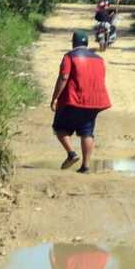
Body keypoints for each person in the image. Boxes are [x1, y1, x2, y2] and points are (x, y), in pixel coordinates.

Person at [50, 30, 111, 173]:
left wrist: (55, 98)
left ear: (73, 43)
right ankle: (85, 166)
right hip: (95, 101)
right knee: (87, 133)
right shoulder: (99, 59)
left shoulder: (69, 56)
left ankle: (71, 154)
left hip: (74, 99)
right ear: (87, 43)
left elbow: (64, 78)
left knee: (59, 128)